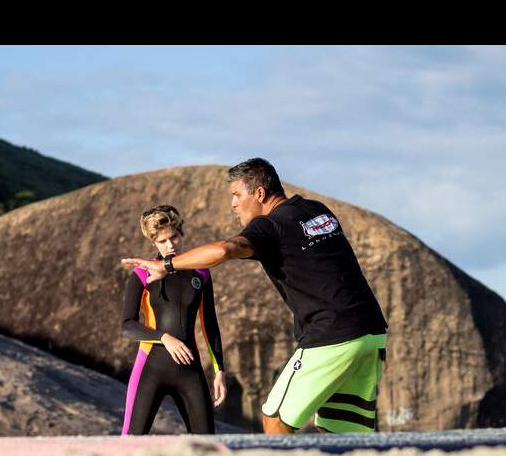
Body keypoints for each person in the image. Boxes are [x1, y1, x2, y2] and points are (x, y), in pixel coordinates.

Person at [122, 158, 388, 435]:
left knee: (274, 420)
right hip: (372, 333)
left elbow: (224, 250)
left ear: (259, 193)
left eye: (237, 195)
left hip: (332, 336)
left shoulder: (269, 227)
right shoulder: (316, 210)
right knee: (343, 435)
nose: (233, 204)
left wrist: (165, 265)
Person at [121, 204, 227, 435]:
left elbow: (209, 323)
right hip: (150, 368)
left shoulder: (201, 273)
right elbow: (127, 325)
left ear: (181, 233)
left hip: (190, 370)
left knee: (208, 445)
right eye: (162, 241)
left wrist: (220, 371)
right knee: (129, 443)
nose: (170, 245)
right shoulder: (142, 274)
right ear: (153, 242)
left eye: (174, 237)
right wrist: (164, 337)